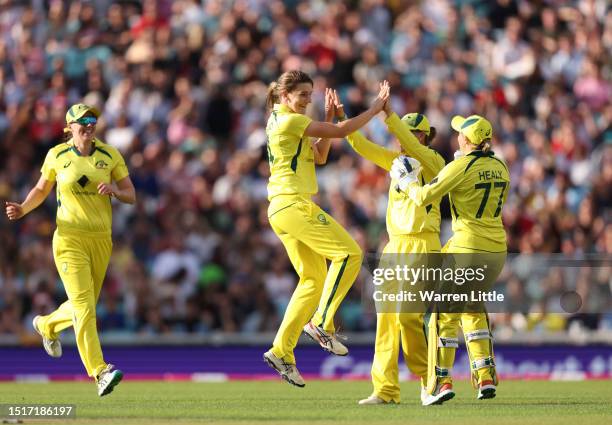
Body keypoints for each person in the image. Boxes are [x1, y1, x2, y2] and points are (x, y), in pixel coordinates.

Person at [262, 70, 389, 387]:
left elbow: (319, 155)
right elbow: (342, 130)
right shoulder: (290, 121)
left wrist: (329, 120)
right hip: (293, 203)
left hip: (283, 207)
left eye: (310, 95)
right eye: (302, 95)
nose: (307, 101)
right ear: (284, 95)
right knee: (350, 253)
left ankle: (281, 351)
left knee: (313, 280)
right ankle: (321, 322)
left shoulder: (287, 122)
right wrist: (375, 109)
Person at [5, 103, 136, 396]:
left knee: (83, 306)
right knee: (85, 307)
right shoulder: (57, 155)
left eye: (93, 120)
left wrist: (116, 191)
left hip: (101, 239)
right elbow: (41, 189)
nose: (90, 125)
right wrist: (24, 208)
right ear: (69, 127)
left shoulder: (110, 154)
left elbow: (131, 194)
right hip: (69, 238)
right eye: (83, 121)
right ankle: (100, 371)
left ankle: (47, 325)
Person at [392, 114, 509, 405]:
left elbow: (422, 197)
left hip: (467, 247)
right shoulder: (501, 166)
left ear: (467, 140)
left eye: (460, 133)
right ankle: (484, 376)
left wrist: (406, 181)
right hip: (496, 250)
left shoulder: (460, 166)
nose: (456, 136)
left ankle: (438, 383)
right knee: (472, 308)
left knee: (442, 316)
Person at [337, 94, 445, 404]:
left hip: (423, 244)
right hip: (394, 247)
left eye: (414, 133)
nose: (405, 139)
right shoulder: (396, 162)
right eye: (402, 132)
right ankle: (385, 390)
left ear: (425, 137)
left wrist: (389, 115)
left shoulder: (434, 162)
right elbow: (359, 145)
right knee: (386, 320)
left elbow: (411, 145)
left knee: (408, 318)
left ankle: (431, 381)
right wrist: (341, 116)